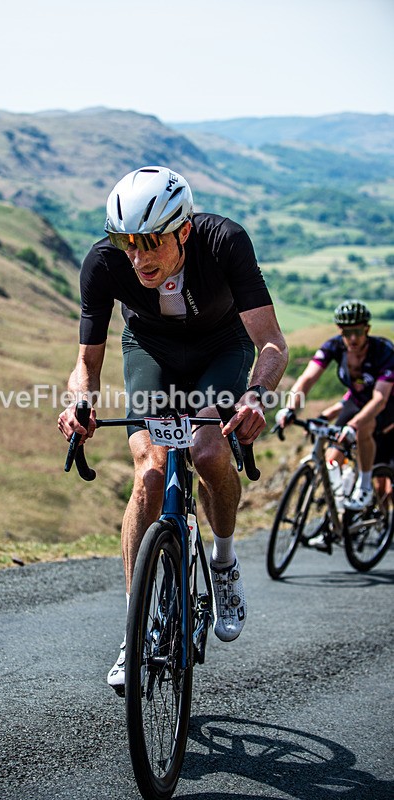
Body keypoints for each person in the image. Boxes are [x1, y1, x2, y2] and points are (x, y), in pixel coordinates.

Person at [58, 165, 288, 693]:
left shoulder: (224, 241)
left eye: (150, 242)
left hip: (221, 348)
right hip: (151, 350)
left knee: (208, 451)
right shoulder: (103, 262)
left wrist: (255, 396)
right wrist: (80, 404)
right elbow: (86, 364)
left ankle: (224, 564)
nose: (137, 258)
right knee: (150, 470)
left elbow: (273, 344)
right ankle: (134, 629)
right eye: (127, 242)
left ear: (183, 230)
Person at [276, 299, 393, 514]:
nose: (353, 338)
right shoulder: (335, 346)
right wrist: (290, 408)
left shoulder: (384, 351)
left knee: (363, 429)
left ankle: (364, 486)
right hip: (357, 402)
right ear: (340, 331)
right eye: (347, 332)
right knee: (332, 458)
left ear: (367, 329)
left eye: (357, 331)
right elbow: (307, 379)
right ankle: (338, 516)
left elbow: (380, 399)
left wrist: (353, 426)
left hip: (386, 406)